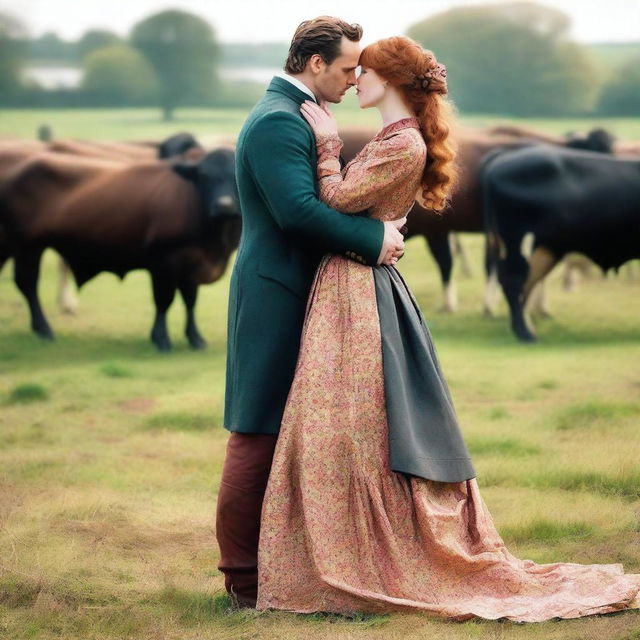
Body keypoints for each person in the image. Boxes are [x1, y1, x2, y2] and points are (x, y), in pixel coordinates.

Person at [256, 35, 640, 621]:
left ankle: (368, 552)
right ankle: (331, 551)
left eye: (365, 71)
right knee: (338, 421)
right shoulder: (392, 138)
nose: (355, 78)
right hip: (350, 283)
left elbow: (332, 198)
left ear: (388, 81)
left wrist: (327, 143)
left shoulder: (401, 145)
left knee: (350, 424)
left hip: (359, 289)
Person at [216, 17, 407, 608]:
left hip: (302, 289)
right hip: (277, 291)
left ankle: (286, 566)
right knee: (257, 430)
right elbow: (297, 212)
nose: (355, 80)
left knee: (288, 432)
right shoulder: (278, 120)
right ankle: (243, 581)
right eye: (349, 68)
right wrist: (374, 240)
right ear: (315, 63)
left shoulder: (296, 113)